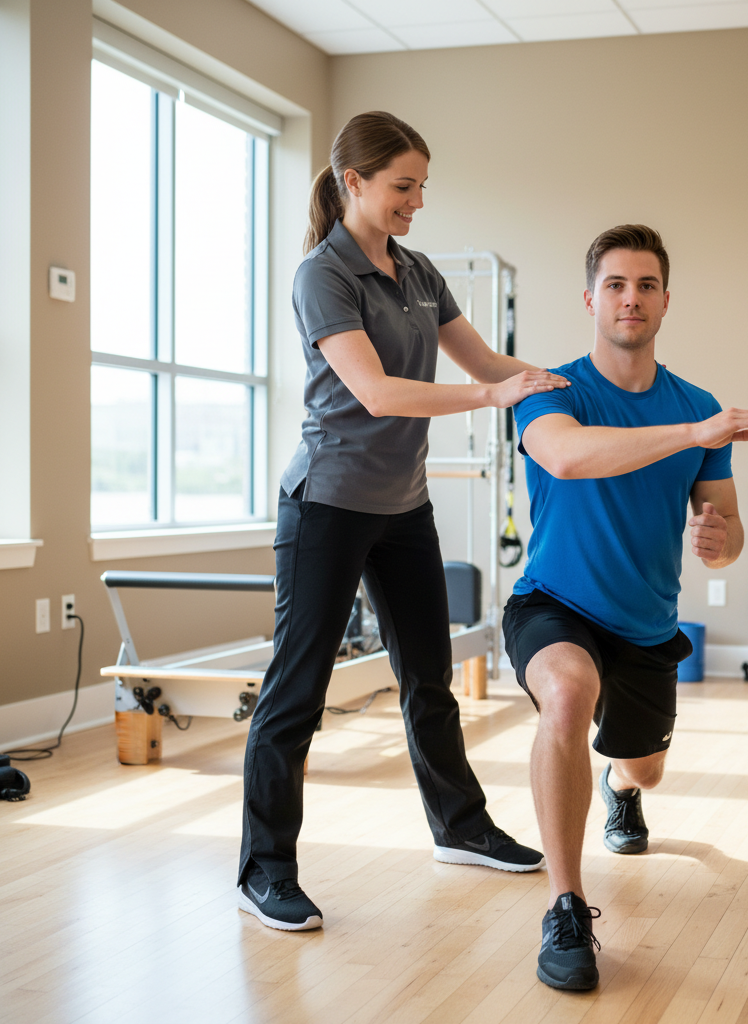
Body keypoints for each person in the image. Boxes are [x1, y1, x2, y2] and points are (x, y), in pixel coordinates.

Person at [238, 111, 569, 932]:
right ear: (354, 183)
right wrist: (492, 397)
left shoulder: (419, 271)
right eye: (402, 186)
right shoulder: (324, 274)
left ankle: (459, 828)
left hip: (401, 507)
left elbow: (489, 364)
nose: (416, 201)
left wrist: (565, 384)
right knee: (296, 693)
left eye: (422, 186)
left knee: (430, 676)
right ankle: (264, 869)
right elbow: (379, 393)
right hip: (327, 505)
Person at [502, 224, 748, 990]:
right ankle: (566, 907)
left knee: (645, 770)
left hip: (647, 626)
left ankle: (620, 791)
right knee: (564, 693)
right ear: (591, 298)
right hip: (553, 604)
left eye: (647, 285)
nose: (632, 298)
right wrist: (694, 435)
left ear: (665, 301)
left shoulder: (700, 407)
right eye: (617, 284)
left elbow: (724, 546)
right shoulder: (549, 390)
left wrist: (717, 536)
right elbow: (567, 454)